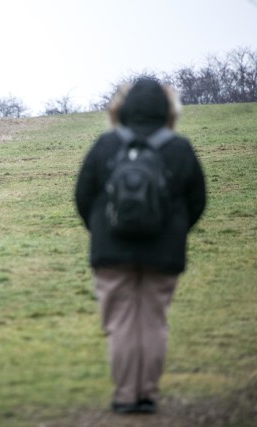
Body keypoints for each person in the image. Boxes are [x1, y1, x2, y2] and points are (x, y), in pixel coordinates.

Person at [74, 78, 207, 414]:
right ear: (168, 110)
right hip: (163, 252)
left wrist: (102, 230)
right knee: (153, 321)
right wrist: (174, 230)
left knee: (120, 322)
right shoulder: (179, 148)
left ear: (122, 107)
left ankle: (124, 396)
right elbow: (197, 201)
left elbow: (83, 196)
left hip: (111, 252)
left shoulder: (105, 145)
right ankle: (146, 394)